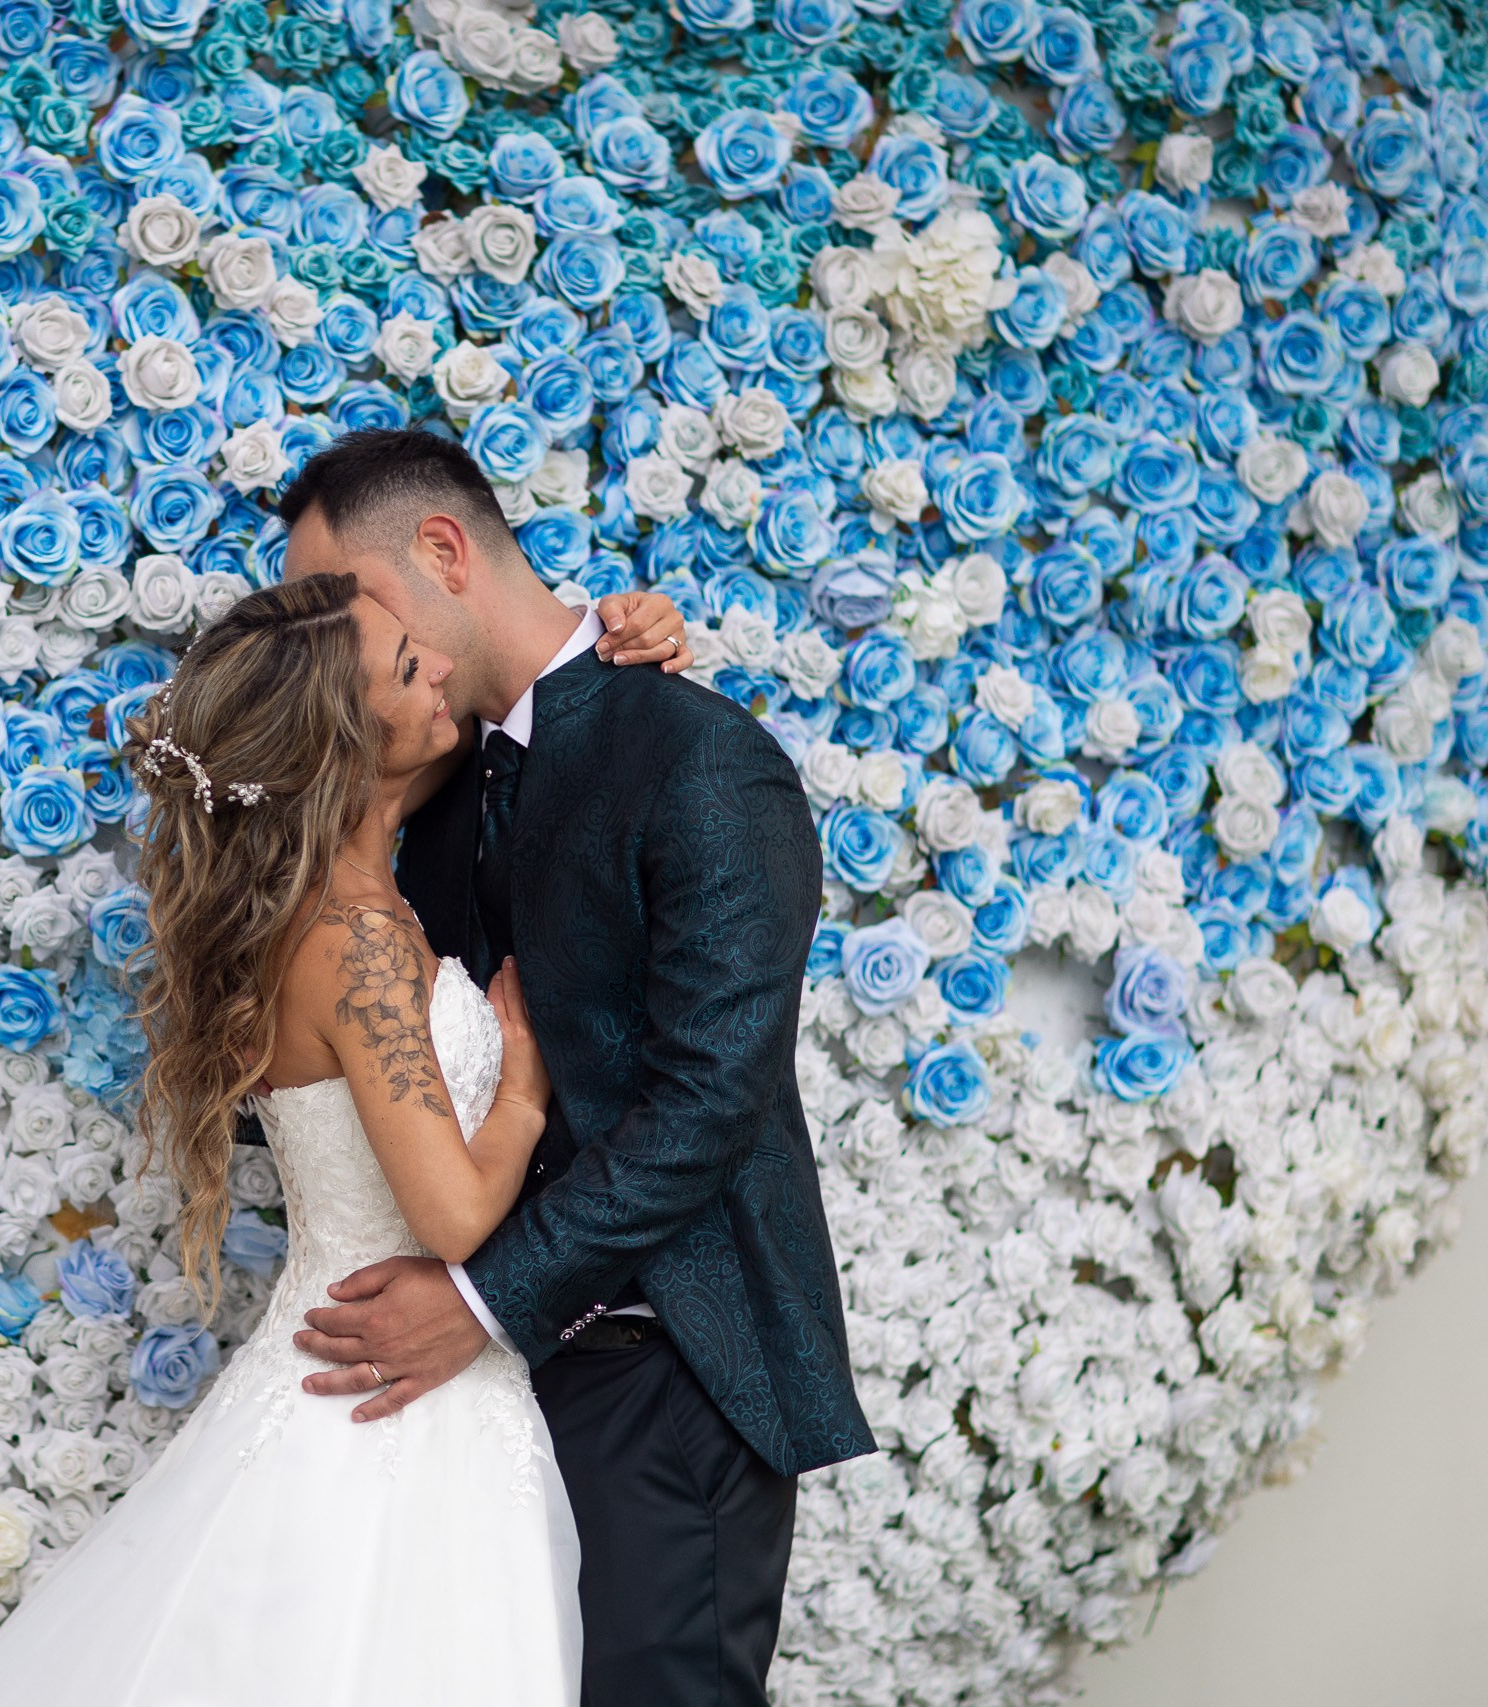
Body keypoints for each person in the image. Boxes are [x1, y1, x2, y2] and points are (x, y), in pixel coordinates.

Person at [0, 569, 692, 1705]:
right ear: (346, 745)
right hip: (393, 1393)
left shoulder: (333, 908)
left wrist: (629, 641)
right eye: (405, 667)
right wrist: (522, 1084)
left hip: (364, 1372)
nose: (440, 665)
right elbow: (452, 1216)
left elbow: (508, 724)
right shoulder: (357, 942)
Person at [276, 429, 875, 1707]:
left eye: (347, 601)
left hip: (659, 1368)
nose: (326, 637)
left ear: (440, 552)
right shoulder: (412, 780)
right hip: (463, 1411)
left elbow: (711, 1098)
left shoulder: (696, 758)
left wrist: (485, 1300)